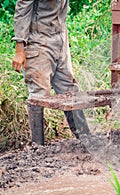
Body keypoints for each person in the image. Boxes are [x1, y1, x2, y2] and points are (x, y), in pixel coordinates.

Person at [12, 0, 90, 145]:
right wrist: (20, 49)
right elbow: (22, 8)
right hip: (38, 39)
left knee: (70, 89)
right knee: (39, 94)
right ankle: (37, 147)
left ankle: (86, 140)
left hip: (60, 38)